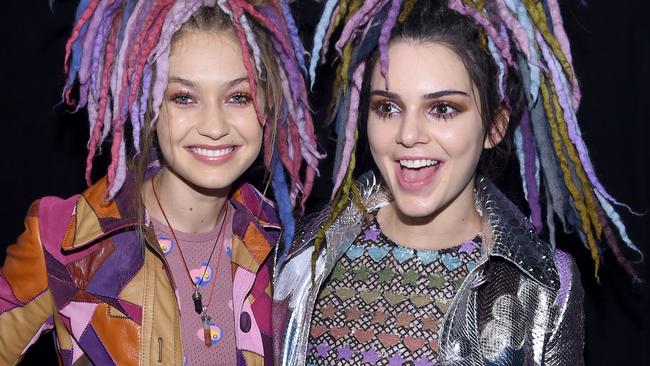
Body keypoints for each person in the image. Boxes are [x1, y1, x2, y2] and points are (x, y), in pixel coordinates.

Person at [273, 1, 640, 365]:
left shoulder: (543, 286)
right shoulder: (301, 252)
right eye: (388, 107)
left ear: (494, 126)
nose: (409, 134)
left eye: (442, 109)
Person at [0, 1, 319, 365]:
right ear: (147, 105)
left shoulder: (289, 250)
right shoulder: (65, 239)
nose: (214, 126)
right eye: (184, 98)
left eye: (238, 97)